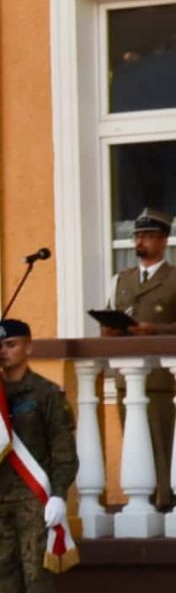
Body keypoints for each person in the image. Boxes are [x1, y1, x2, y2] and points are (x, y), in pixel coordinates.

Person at [0, 318, 78, 593]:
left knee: (35, 574)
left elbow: (63, 451)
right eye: (1, 347)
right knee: (3, 574)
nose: (6, 352)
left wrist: (58, 494)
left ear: (29, 348)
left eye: (13, 345)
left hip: (33, 499)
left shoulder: (47, 394)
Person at [106, 206, 175, 510]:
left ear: (163, 241)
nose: (140, 242)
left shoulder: (174, 278)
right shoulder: (121, 279)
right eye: (137, 236)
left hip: (161, 379)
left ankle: (165, 503)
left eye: (147, 236)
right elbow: (107, 320)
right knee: (135, 445)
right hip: (127, 377)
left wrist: (155, 330)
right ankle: (144, 504)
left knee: (163, 446)